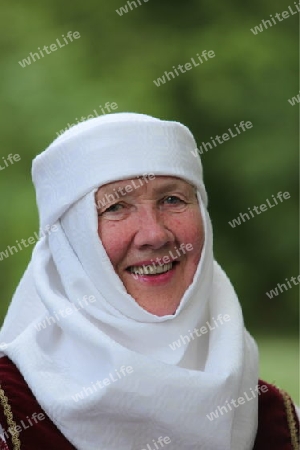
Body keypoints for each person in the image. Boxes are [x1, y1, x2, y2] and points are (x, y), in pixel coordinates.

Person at [0, 113, 298, 450]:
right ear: (69, 242)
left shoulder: (280, 420)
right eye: (115, 207)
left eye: (173, 200)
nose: (154, 234)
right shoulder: (12, 413)